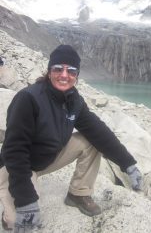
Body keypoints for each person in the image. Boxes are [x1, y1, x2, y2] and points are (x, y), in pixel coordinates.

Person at [0, 45, 142, 232]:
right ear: (49, 71)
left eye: (71, 71)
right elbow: (14, 151)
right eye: (58, 69)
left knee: (92, 139)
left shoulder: (74, 100)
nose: (64, 75)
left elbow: (99, 131)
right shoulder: (28, 99)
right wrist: (26, 200)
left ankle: (78, 194)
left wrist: (128, 164)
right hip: (18, 166)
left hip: (46, 158)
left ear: (77, 75)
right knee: (18, 222)